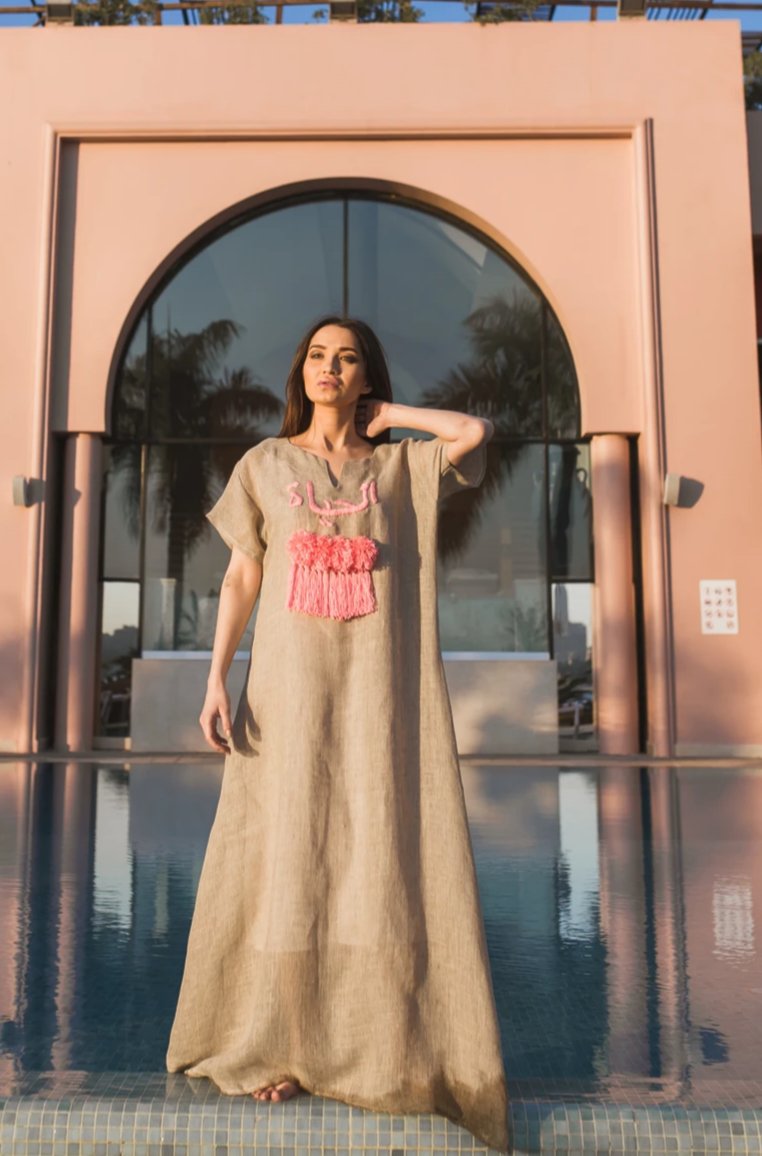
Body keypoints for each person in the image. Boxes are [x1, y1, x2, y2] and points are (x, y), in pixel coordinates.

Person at [166, 316, 510, 1154]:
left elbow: (474, 432)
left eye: (347, 358)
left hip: (381, 696)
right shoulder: (265, 464)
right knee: (290, 852)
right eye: (318, 356)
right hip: (287, 694)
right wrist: (215, 677)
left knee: (373, 856)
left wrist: (392, 419)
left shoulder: (399, 468)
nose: (330, 367)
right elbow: (243, 573)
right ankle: (283, 1040)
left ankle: (362, 1041)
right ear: (302, 374)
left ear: (366, 378)